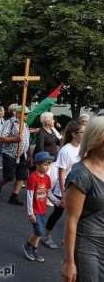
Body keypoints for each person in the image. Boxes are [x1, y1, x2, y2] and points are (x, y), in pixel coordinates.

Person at [62, 117, 104, 282]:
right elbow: (71, 221)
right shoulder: (81, 175)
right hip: (88, 247)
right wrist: (69, 262)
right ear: (97, 140)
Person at [41, 121, 85, 249]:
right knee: (58, 213)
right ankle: (46, 235)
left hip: (78, 188)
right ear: (74, 134)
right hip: (65, 189)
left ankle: (67, 239)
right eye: (83, 132)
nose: (85, 134)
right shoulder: (65, 150)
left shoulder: (84, 148)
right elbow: (62, 174)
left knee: (75, 216)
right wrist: (64, 194)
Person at [22, 152, 61, 262]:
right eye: (45, 164)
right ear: (37, 165)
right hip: (35, 210)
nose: (48, 166)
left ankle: (34, 249)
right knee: (39, 231)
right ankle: (27, 246)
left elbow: (48, 193)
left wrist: (57, 202)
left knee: (39, 232)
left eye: (49, 164)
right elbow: (29, 196)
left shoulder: (47, 178)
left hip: (43, 210)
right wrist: (30, 213)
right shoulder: (32, 178)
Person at [0, 105, 33, 206]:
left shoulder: (25, 125)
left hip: (22, 154)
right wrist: (15, 139)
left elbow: (26, 142)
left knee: (22, 176)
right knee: (8, 176)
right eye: (26, 114)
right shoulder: (9, 123)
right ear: (19, 114)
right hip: (10, 153)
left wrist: (30, 156)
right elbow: (1, 139)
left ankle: (14, 197)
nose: (27, 116)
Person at [33, 112, 61, 206]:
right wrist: (45, 161)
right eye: (52, 119)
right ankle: (40, 199)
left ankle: (47, 197)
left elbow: (57, 142)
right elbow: (40, 147)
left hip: (54, 159)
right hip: (46, 161)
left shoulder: (52, 130)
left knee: (53, 179)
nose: (54, 121)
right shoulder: (41, 132)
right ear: (47, 120)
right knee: (44, 180)